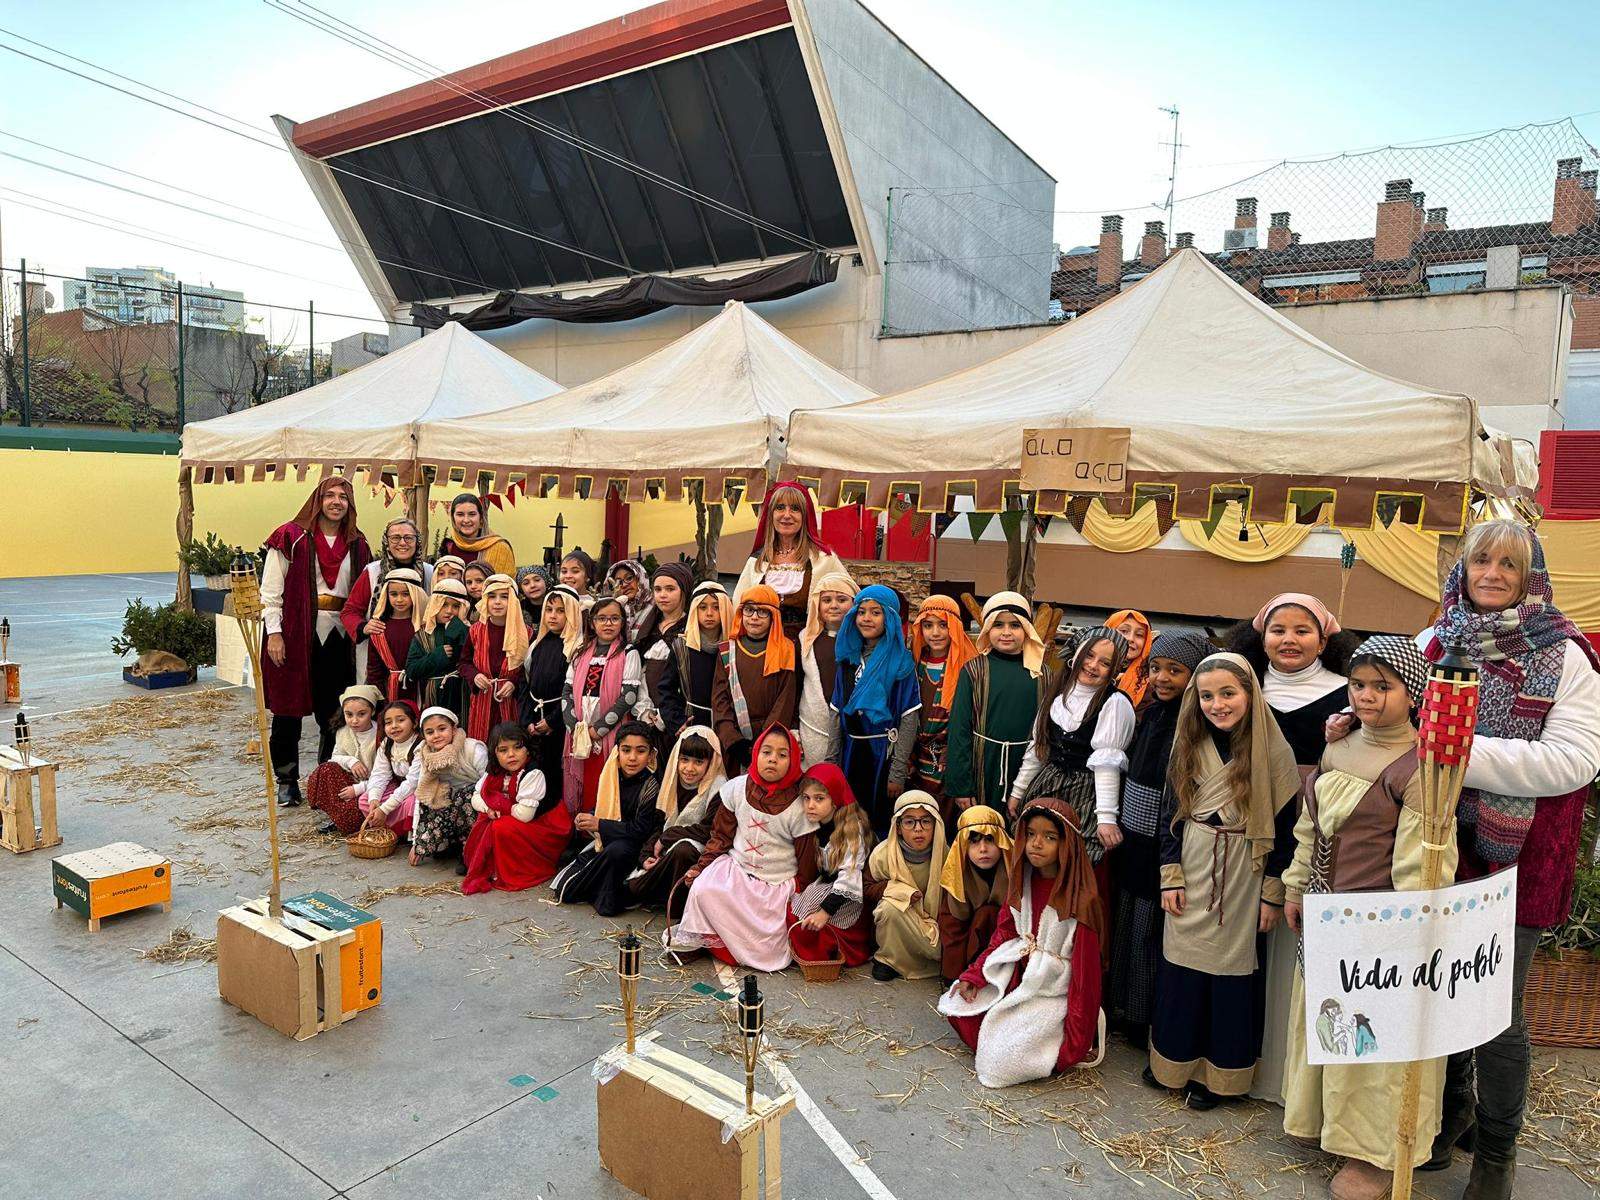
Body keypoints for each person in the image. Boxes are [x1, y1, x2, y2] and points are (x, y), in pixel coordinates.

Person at [1409, 521, 1600, 1199]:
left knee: (1497, 1008)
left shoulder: (1563, 653)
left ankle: (1496, 1154)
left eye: (1509, 564)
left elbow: (1575, 760)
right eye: (1481, 559)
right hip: (1441, 839)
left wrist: (1458, 750)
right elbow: (1399, 714)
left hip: (1521, 853)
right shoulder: (1437, 638)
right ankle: (1453, 1109)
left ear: (1532, 575)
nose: (1492, 572)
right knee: (1442, 987)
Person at [1280, 635, 1448, 1200]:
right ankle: (1329, 1123)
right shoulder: (1339, 748)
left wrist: (1408, 931)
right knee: (1331, 1022)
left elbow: (1419, 864)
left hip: (1377, 924)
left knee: (1373, 1041)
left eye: (1384, 686)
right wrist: (1297, 887)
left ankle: (1373, 1154)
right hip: (1328, 911)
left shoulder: (1417, 766)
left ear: (1413, 693)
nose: (1369, 696)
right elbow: (1313, 827)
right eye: (1359, 685)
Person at [1147, 652, 1299, 1110]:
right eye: (1208, 695)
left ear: (1250, 694)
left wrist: (1273, 894)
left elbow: (1287, 828)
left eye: (1228, 693)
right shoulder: (1189, 742)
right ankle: (1173, 1063)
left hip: (1243, 868)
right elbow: (1168, 814)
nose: (1218, 704)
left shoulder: (1273, 752)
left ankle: (1221, 1078)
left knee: (1230, 976)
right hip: (1193, 860)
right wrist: (1170, 876)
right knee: (1182, 969)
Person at [1228, 592, 1358, 1105]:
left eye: (1302, 630)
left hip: (1311, 828)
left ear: (1325, 638)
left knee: (1293, 950)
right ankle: (1238, 1061)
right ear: (1261, 636)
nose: (1289, 639)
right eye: (1278, 629)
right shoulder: (1243, 687)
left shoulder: (1347, 694)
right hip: (1241, 825)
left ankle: (1291, 1081)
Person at [939, 798, 1106, 1088]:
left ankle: (1023, 1046)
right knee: (961, 1005)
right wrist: (975, 975)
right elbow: (1003, 934)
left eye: (1049, 837)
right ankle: (1007, 1036)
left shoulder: (1082, 899)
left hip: (1050, 991)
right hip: (1018, 975)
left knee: (1004, 1059)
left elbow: (1085, 979)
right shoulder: (1023, 881)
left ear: (1066, 844)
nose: (1036, 844)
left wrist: (1075, 1043)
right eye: (1030, 835)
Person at [1107, 631, 1212, 1050]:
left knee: (1152, 927)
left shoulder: (1197, 724)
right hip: (1135, 834)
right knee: (1130, 917)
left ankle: (1143, 1016)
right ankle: (1122, 1008)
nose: (1162, 678)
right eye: (1156, 668)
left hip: (1164, 841)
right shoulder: (1150, 713)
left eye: (1175, 670)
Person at [669, 724, 818, 971]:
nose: (773, 760)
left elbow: (806, 860)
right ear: (755, 754)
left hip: (775, 881)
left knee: (769, 930)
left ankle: (745, 952)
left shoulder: (800, 804)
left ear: (793, 760)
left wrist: (800, 894)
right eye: (766, 752)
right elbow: (720, 836)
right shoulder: (736, 788)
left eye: (782, 755)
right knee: (704, 888)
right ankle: (702, 943)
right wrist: (701, 866)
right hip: (737, 869)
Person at [260, 476, 372, 806]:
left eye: (344, 497)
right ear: (318, 500)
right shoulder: (290, 536)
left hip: (340, 636)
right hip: (295, 633)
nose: (337, 502)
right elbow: (270, 589)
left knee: (335, 713)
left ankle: (324, 776)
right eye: (330, 496)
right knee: (287, 710)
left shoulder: (358, 543)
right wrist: (274, 632)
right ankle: (286, 779)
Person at [1009, 627, 1136, 869]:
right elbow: (1038, 750)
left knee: (1075, 860)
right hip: (1048, 785)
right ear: (1076, 655)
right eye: (1089, 655)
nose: (1093, 665)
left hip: (1086, 794)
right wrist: (1018, 792)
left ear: (1114, 670)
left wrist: (1106, 818)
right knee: (1036, 855)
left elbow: (1106, 765)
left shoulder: (1115, 704)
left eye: (1105, 662)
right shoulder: (1057, 696)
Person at [944, 592, 1048, 815]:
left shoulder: (1042, 674)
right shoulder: (974, 670)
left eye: (1015, 625)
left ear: (1027, 629)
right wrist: (962, 786)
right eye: (998, 625)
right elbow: (959, 730)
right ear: (987, 629)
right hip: (982, 764)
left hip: (1026, 767)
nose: (1007, 632)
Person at [832, 585, 922, 836]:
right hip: (851, 752)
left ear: (890, 618)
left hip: (884, 754)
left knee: (880, 819)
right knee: (849, 818)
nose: (867, 618)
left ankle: (878, 871)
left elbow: (909, 719)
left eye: (876, 612)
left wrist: (898, 771)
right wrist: (832, 762)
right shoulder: (848, 660)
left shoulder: (901, 662)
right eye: (861, 612)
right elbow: (836, 713)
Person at [551, 723, 662, 915]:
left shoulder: (651, 785)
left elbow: (640, 830)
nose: (632, 758)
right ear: (617, 751)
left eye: (640, 751)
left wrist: (600, 825)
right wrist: (589, 818)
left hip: (634, 848)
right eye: (626, 750)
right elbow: (603, 807)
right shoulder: (611, 775)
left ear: (651, 755)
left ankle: (607, 893)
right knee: (565, 890)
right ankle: (600, 889)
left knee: (617, 851)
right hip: (606, 841)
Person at [626, 726, 727, 913]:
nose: (689, 768)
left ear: (711, 762)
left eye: (698, 762)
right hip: (667, 851)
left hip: (701, 854)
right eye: (684, 760)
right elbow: (659, 823)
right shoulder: (672, 782)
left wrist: (669, 836)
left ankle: (678, 906)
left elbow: (709, 831)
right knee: (634, 887)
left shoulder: (719, 788)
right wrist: (646, 856)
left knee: (683, 850)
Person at [462, 722, 570, 894]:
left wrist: (497, 807)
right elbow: (476, 797)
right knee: (486, 819)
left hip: (546, 826)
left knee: (500, 826)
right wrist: (490, 809)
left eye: (517, 747)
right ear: (495, 753)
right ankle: (493, 866)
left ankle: (523, 869)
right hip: (518, 818)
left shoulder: (533, 773)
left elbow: (524, 815)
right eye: (503, 750)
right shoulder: (495, 773)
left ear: (527, 749)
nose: (511, 755)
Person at [788, 763, 877, 970]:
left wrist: (824, 913)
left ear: (835, 799)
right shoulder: (816, 822)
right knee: (797, 901)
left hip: (850, 895)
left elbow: (849, 878)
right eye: (806, 798)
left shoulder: (851, 828)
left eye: (819, 798)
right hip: (829, 885)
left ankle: (829, 951)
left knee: (811, 907)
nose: (810, 805)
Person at [734, 481, 849, 639]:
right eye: (780, 508)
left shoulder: (823, 560)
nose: (787, 515)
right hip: (763, 650)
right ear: (771, 514)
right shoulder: (757, 561)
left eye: (795, 509)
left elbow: (850, 600)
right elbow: (738, 607)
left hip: (805, 650)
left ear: (805, 516)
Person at [562, 597, 645, 813]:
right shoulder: (580, 653)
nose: (608, 624)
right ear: (592, 623)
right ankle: (581, 828)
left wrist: (597, 730)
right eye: (602, 619)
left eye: (614, 618)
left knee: (605, 781)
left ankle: (601, 828)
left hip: (610, 732)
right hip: (579, 731)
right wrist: (575, 727)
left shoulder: (629, 653)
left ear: (622, 622)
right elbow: (567, 691)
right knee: (584, 781)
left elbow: (628, 697)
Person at [711, 585, 797, 775]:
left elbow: (785, 700)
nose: (754, 617)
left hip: (771, 740)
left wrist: (766, 741)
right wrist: (732, 740)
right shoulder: (727, 651)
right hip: (735, 742)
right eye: (749, 610)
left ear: (773, 616)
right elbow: (720, 700)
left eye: (762, 612)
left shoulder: (786, 651)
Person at [864, 790, 948, 982]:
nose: (918, 829)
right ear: (899, 827)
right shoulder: (882, 855)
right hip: (901, 921)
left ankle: (932, 962)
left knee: (943, 950)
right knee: (888, 908)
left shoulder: (947, 856)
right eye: (909, 822)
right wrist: (899, 892)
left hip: (936, 922)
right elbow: (867, 888)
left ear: (936, 825)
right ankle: (889, 961)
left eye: (926, 821)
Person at [340, 518, 434, 682]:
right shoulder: (372, 572)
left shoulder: (429, 572)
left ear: (417, 541)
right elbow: (349, 612)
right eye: (396, 538)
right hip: (378, 652)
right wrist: (364, 626)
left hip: (419, 651)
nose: (402, 543)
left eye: (408, 538)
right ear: (386, 541)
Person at [909, 594, 978, 811]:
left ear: (955, 628)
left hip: (951, 756)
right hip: (916, 754)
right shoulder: (913, 660)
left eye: (943, 625)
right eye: (928, 625)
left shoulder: (971, 666)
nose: (935, 633)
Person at [521, 584, 583, 814]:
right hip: (534, 721)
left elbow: (573, 691)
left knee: (556, 776)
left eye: (560, 610)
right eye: (549, 610)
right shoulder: (537, 645)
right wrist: (527, 719)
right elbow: (525, 684)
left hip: (559, 724)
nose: (553, 616)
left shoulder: (576, 648)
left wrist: (552, 721)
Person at [937, 804, 1012, 982]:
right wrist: (954, 975)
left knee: (989, 913)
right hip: (970, 946)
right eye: (974, 841)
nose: (983, 849)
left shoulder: (1013, 869)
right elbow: (952, 928)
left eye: (990, 840)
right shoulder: (957, 875)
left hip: (1006, 946)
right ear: (963, 846)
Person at [408, 706, 487, 870]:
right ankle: (449, 843)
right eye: (430, 732)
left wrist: (474, 796)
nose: (436, 736)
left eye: (442, 729)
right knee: (431, 797)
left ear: (454, 729)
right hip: (451, 805)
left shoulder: (473, 748)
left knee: (464, 796)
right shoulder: (426, 755)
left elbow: (489, 779)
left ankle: (469, 851)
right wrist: (417, 841)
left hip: (478, 802)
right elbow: (422, 794)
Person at [797, 572, 858, 769]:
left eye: (842, 599)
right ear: (817, 605)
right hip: (812, 728)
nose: (833, 605)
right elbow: (796, 684)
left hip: (852, 728)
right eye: (826, 600)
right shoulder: (804, 639)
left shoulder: (863, 640)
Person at [306, 684, 384, 835]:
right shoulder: (343, 731)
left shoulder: (380, 734)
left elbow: (385, 776)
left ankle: (351, 821)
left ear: (372, 711)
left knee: (359, 811)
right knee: (326, 769)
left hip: (374, 787)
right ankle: (337, 816)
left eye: (361, 714)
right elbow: (335, 757)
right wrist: (351, 761)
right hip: (350, 781)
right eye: (349, 715)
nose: (354, 721)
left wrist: (359, 788)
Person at [462, 574, 531, 744]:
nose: (497, 602)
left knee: (510, 744)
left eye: (504, 597)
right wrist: (475, 675)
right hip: (482, 699)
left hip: (510, 699)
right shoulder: (475, 631)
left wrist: (514, 682)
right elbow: (464, 662)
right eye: (492, 596)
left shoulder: (527, 633)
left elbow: (529, 668)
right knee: (480, 745)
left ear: (514, 601)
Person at [635, 562, 694, 739]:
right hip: (647, 714)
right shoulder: (649, 629)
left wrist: (669, 715)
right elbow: (641, 673)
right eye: (658, 589)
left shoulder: (690, 630)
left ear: (684, 590)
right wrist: (645, 710)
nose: (663, 595)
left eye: (670, 589)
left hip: (679, 718)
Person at [405, 579, 472, 724]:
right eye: (444, 604)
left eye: (455, 606)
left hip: (461, 694)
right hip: (433, 696)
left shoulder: (470, 632)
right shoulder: (422, 635)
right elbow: (411, 670)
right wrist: (437, 656)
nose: (449, 610)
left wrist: (459, 630)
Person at [676, 580, 733, 732]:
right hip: (691, 723)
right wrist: (677, 721)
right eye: (703, 607)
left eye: (716, 607)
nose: (709, 613)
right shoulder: (682, 647)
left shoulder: (734, 648)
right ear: (695, 610)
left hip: (727, 724)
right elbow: (667, 690)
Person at [359, 700, 421, 838]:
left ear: (415, 723)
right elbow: (379, 774)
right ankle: (389, 829)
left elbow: (412, 783)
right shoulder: (387, 744)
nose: (394, 726)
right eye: (388, 722)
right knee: (364, 799)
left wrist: (385, 809)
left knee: (412, 804)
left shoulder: (420, 746)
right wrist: (374, 800)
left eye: (400, 720)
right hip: (399, 787)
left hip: (417, 789)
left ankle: (404, 831)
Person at [363, 568, 426, 704]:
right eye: (394, 594)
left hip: (421, 689)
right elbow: (374, 670)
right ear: (386, 595)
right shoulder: (379, 628)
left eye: (405, 594)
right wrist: (379, 697)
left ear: (415, 594)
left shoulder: (425, 626)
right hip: (388, 692)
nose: (399, 599)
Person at [437, 492, 516, 575]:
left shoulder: (500, 548)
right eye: (460, 514)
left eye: (472, 514)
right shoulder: (448, 548)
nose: (466, 520)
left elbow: (506, 585)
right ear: (453, 519)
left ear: (481, 519)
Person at [1107, 609, 1155, 707]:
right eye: (1124, 631)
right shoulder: (1088, 666)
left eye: (1139, 635)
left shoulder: (1150, 683)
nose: (1130, 639)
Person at [608, 559, 653, 643]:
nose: (624, 585)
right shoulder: (616, 608)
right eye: (618, 582)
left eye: (629, 578)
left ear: (640, 578)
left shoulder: (656, 607)